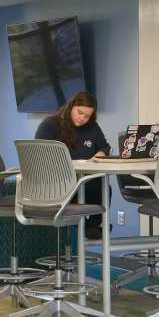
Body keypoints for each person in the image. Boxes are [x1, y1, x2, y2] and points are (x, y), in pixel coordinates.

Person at [35, 91, 111, 239]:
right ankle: (87, 227)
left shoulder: (92, 127)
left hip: (80, 181)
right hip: (55, 183)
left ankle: (92, 226)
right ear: (71, 107)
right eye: (80, 112)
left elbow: (104, 147)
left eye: (87, 116)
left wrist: (100, 154)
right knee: (95, 187)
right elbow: (40, 157)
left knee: (103, 186)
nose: (82, 118)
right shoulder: (50, 124)